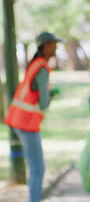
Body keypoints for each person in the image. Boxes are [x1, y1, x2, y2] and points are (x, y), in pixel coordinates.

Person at [4, 32, 62, 202]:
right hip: (26, 123)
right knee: (38, 169)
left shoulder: (35, 64)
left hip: (19, 120)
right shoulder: (42, 68)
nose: (56, 48)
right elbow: (43, 103)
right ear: (45, 45)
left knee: (35, 168)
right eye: (54, 44)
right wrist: (50, 96)